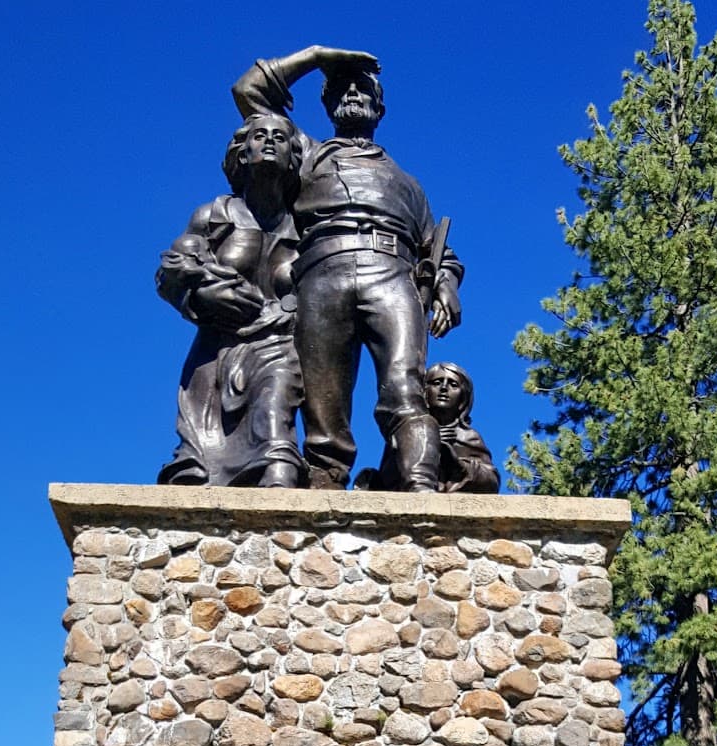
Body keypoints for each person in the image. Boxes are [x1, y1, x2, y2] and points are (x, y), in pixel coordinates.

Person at [233, 46, 464, 491]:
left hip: (394, 275)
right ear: (326, 104)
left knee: (405, 389)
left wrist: (446, 287)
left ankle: (421, 491)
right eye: (341, 87)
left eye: (364, 88)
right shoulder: (304, 153)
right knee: (324, 404)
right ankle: (325, 487)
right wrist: (318, 57)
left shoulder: (408, 183)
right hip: (322, 271)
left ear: (380, 107)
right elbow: (250, 91)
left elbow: (440, 251)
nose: (353, 92)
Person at [156, 113, 306, 488]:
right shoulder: (213, 216)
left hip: (279, 344)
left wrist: (293, 309)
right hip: (217, 347)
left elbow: (327, 290)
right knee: (200, 462)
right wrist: (200, 292)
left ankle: (284, 527)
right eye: (258, 136)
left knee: (275, 424)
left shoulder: (307, 229)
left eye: (279, 137)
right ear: (242, 153)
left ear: (293, 157)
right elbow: (168, 275)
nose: (268, 142)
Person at [357, 363, 500, 493]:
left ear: (463, 398)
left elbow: (492, 481)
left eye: (453, 385)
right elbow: (388, 476)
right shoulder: (407, 431)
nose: (444, 388)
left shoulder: (467, 436)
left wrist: (456, 463)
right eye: (437, 383)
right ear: (425, 391)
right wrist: (424, 444)